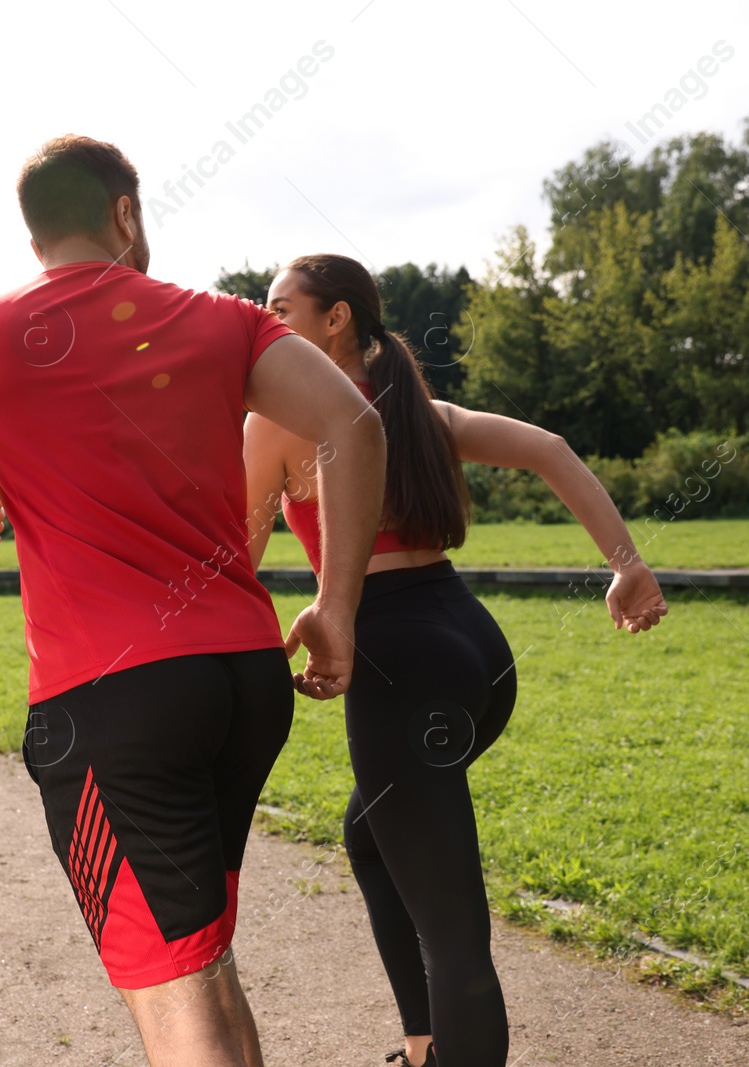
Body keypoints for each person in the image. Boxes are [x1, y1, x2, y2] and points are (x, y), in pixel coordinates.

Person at [0, 138, 385, 1067]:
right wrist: (337, 605)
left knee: (177, 991)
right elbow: (355, 422)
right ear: (123, 213)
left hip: (108, 705)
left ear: (33, 232)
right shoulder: (225, 320)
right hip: (240, 683)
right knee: (204, 961)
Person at [242, 254, 667, 1067]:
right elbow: (549, 447)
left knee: (455, 937)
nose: (268, 322)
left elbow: (239, 554)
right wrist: (627, 564)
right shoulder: (420, 412)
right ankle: (424, 1046)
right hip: (473, 651)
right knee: (369, 836)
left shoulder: (280, 421)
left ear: (336, 318)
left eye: (281, 307)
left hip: (399, 668)